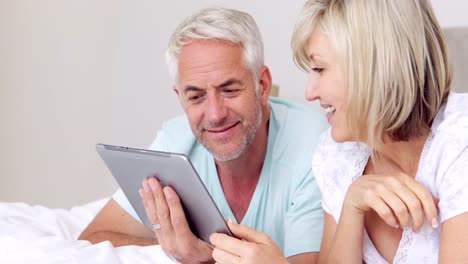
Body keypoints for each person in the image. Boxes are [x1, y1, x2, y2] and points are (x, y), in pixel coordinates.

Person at [210, 0, 468, 263]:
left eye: (320, 69)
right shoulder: (339, 155)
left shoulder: (460, 144)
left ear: (374, 67)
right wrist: (352, 207)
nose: (309, 93)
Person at [79, 7, 328, 264]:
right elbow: (96, 236)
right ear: (180, 98)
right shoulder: (174, 143)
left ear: (262, 86)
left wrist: (206, 260)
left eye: (229, 90)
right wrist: (174, 247)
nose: (214, 114)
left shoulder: (313, 145)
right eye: (196, 97)